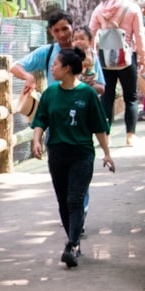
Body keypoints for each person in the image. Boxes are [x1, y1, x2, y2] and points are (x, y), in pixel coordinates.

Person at [30, 48, 114, 269]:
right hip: (57, 153)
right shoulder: (50, 93)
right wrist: (36, 140)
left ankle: (72, 244)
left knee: (74, 199)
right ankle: (73, 241)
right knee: (63, 201)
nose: (52, 68)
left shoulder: (87, 94)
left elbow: (99, 126)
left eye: (55, 64)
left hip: (81, 154)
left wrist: (106, 153)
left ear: (67, 68)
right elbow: (41, 119)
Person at [89, 0, 145, 145]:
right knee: (131, 97)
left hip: (105, 60)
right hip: (126, 58)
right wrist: (143, 56)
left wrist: (92, 55)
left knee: (107, 97)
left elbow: (91, 33)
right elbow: (139, 35)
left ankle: (106, 136)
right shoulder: (132, 8)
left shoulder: (100, 9)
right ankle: (130, 136)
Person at [11, 11, 75, 92]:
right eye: (56, 30)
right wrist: (28, 77)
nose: (61, 34)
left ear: (72, 26)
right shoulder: (48, 52)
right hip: (55, 103)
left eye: (65, 29)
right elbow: (15, 67)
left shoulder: (85, 52)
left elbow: (95, 82)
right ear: (51, 31)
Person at [73, 26, 106, 97]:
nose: (78, 41)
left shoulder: (94, 56)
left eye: (82, 39)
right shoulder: (72, 56)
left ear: (90, 41)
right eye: (75, 39)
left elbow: (101, 88)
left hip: (91, 90)